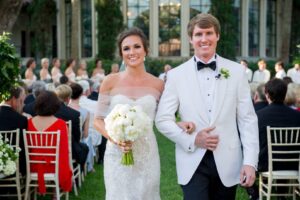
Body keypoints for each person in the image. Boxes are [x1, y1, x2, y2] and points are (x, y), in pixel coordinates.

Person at [155, 13, 259, 200]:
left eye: (209, 33)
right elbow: (162, 119)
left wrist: (250, 162)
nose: (204, 39)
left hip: (228, 161)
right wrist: (193, 139)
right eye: (198, 34)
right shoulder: (176, 75)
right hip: (192, 161)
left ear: (217, 35)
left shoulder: (236, 72)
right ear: (190, 39)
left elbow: (247, 119)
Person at [94, 27, 193, 200]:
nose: (132, 52)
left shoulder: (158, 84)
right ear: (121, 53)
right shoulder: (110, 81)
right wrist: (115, 139)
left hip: (147, 153)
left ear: (146, 50)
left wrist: (180, 124)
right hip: (116, 153)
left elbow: (164, 118)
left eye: (137, 46)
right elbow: (97, 120)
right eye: (126, 48)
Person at [248, 78, 300, 200]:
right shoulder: (297, 116)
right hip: (294, 164)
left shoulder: (258, 116)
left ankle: (254, 192)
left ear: (267, 94)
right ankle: (281, 194)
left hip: (265, 164)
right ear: (285, 93)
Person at [26, 90, 72, 194]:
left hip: (34, 165)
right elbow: (64, 151)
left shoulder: (29, 122)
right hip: (53, 166)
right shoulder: (61, 124)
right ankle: (55, 192)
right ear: (55, 105)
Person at [0, 86, 27, 175]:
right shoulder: (21, 119)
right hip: (16, 164)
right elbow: (23, 145)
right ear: (13, 99)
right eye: (21, 101)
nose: (22, 105)